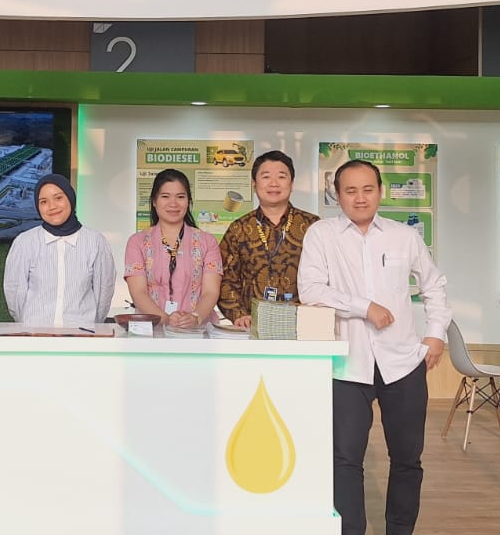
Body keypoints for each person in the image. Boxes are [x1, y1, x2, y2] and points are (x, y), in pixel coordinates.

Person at [298, 160, 452, 535]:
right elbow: (311, 290)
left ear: (380, 191)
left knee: (407, 459)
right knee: (345, 459)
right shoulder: (321, 234)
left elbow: (433, 285)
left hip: (403, 362)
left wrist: (435, 334)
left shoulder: (404, 236)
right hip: (347, 363)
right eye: (350, 190)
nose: (360, 198)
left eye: (368, 189)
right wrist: (364, 307)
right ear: (337, 195)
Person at [218, 150, 320, 328]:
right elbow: (225, 279)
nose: (274, 183)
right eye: (266, 177)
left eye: (281, 177)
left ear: (292, 184)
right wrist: (239, 315)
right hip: (252, 326)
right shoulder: (239, 228)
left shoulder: (313, 226)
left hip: (302, 326)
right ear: (254, 184)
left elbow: (328, 278)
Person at [3, 174, 116, 326]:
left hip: (81, 334)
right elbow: (14, 292)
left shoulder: (95, 241)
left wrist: (89, 325)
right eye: (44, 202)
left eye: (58, 198)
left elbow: (104, 292)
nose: (52, 206)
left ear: (70, 198)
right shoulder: (25, 242)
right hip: (36, 334)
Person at [124, 169, 223, 328]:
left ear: (188, 201)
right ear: (154, 201)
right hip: (152, 330)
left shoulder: (208, 241)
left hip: (198, 331)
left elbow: (210, 292)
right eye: (165, 196)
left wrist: (195, 318)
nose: (173, 204)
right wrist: (166, 318)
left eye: (180, 197)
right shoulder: (137, 242)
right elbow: (138, 293)